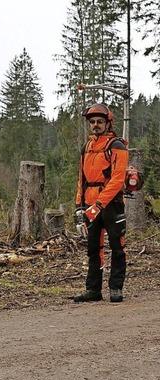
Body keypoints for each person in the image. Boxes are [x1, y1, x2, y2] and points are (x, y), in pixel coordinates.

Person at [74, 103, 129, 303]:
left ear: (107, 123)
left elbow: (117, 179)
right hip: (89, 204)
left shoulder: (117, 146)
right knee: (93, 248)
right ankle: (93, 290)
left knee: (117, 245)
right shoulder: (86, 147)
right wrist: (79, 205)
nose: (96, 125)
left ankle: (116, 288)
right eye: (93, 122)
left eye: (99, 122)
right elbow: (81, 179)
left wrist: (99, 204)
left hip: (111, 204)